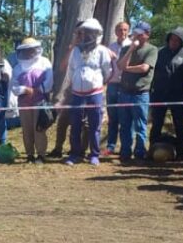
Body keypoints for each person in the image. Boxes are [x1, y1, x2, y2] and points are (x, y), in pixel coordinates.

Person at [61, 18, 114, 166]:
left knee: (94, 125)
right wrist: (72, 84)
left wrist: (98, 83)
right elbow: (71, 69)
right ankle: (74, 154)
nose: (88, 35)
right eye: (86, 32)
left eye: (91, 32)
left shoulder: (102, 50)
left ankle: (94, 154)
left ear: (97, 34)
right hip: (77, 93)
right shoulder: (75, 51)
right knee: (75, 125)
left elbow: (107, 70)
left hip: (95, 93)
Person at [114, 21, 157, 161]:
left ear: (147, 35)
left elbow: (144, 68)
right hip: (124, 92)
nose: (137, 36)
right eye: (136, 33)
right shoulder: (126, 48)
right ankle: (125, 152)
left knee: (140, 125)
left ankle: (140, 152)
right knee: (125, 125)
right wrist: (131, 49)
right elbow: (120, 65)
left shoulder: (152, 50)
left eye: (140, 34)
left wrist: (127, 68)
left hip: (140, 94)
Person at [148, 27, 183, 158]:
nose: (174, 42)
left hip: (178, 95)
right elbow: (152, 73)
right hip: (159, 94)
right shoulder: (159, 52)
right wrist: (151, 91)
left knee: (179, 123)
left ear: (181, 41)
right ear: (168, 39)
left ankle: (181, 152)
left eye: (177, 40)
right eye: (172, 39)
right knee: (157, 123)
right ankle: (152, 149)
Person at [10, 37, 54, 162]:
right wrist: (21, 89)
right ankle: (30, 155)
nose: (29, 52)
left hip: (40, 101)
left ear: (36, 49)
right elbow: (13, 85)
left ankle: (41, 155)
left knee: (39, 129)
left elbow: (49, 82)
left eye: (31, 49)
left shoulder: (44, 62)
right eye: (26, 50)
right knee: (27, 129)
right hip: (24, 103)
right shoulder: (18, 67)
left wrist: (35, 90)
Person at [101, 20, 131, 157]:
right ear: (115, 32)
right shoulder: (110, 47)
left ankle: (126, 148)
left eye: (125, 30)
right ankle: (111, 146)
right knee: (113, 118)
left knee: (126, 118)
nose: (122, 32)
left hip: (126, 85)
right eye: (120, 30)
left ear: (128, 31)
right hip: (112, 85)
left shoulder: (132, 46)